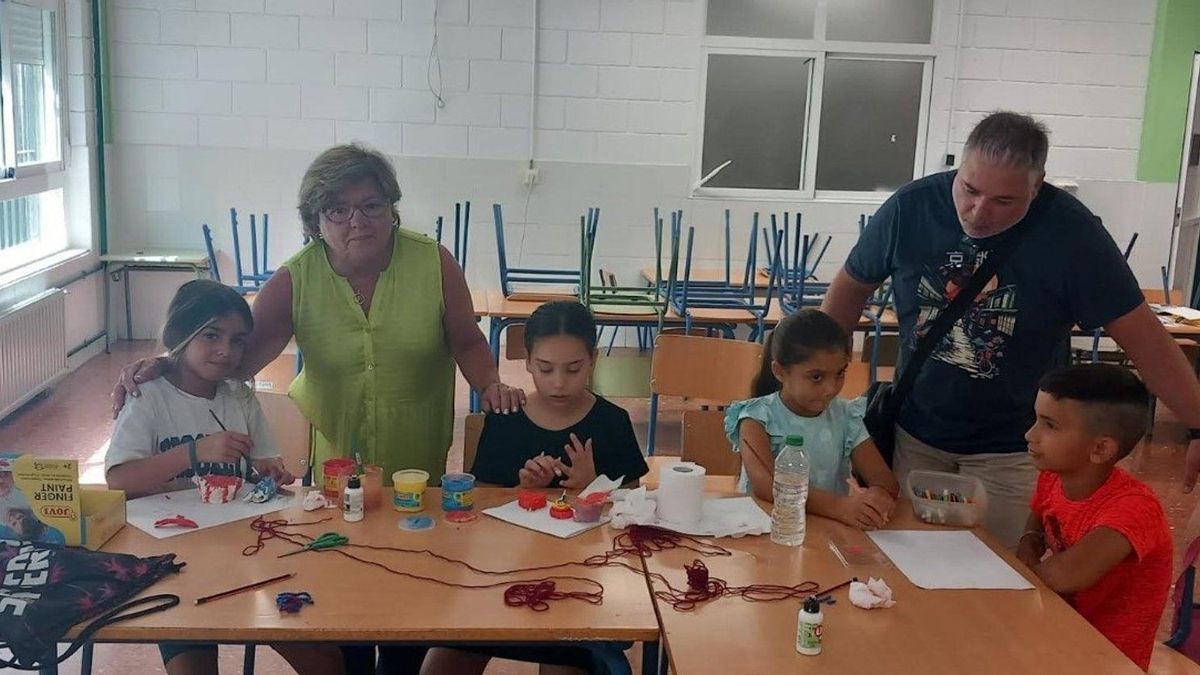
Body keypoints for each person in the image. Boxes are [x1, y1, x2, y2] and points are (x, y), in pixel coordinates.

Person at [110, 144, 524, 674]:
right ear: (316, 220)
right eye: (339, 209)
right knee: (343, 600)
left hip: (417, 455)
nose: (358, 220)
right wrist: (165, 365)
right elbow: (233, 356)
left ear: (392, 208)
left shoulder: (433, 261)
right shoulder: (296, 278)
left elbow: (467, 340)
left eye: (372, 205)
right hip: (335, 468)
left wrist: (489, 383)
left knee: (414, 600)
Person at [820, 111, 1200, 548]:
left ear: (1037, 186)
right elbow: (849, 288)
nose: (979, 212)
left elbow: (1145, 338)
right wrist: (810, 387)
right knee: (905, 570)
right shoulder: (912, 208)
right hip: (915, 435)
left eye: (1004, 201)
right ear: (958, 168)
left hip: (1015, 449)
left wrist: (1196, 424)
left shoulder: (1072, 234)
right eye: (969, 189)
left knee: (994, 581)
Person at [104, 279, 342, 675]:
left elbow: (267, 462)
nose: (225, 351)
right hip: (173, 561)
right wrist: (195, 451)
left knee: (327, 663)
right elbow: (119, 479)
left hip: (246, 552)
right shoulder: (148, 396)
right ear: (180, 334)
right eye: (211, 335)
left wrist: (271, 472)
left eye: (237, 341)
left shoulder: (239, 395)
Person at [1018, 364, 1170, 672]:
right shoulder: (1054, 476)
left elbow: (1061, 577)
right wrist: (1029, 542)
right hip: (1057, 635)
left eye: (1050, 425)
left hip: (1106, 661)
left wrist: (1024, 565)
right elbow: (1037, 519)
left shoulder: (1133, 508)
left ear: (1100, 448)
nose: (1030, 434)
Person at [724, 309, 898, 529]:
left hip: (827, 531)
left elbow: (883, 478)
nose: (831, 388)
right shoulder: (755, 418)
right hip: (768, 531)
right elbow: (767, 486)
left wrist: (878, 497)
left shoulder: (845, 415)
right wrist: (841, 507)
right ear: (779, 371)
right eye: (816, 377)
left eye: (840, 373)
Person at [471, 300, 649, 490]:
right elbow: (481, 502)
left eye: (573, 369)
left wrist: (592, 486)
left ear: (593, 360)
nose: (559, 383)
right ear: (528, 360)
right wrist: (523, 491)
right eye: (545, 369)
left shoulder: (613, 422)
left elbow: (631, 503)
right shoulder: (505, 419)